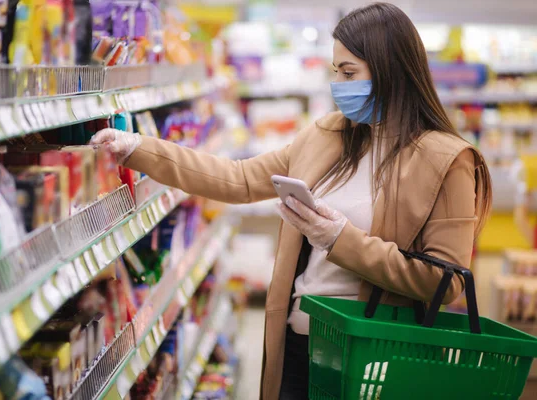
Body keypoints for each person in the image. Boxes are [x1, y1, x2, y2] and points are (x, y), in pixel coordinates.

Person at [91, 3, 492, 399]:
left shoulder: (447, 161)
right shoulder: (327, 135)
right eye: (336, 71)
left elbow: (447, 280)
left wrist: (339, 238)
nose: (339, 84)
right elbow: (239, 178)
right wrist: (138, 148)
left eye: (349, 72)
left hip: (374, 358)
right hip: (297, 347)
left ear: (391, 70)